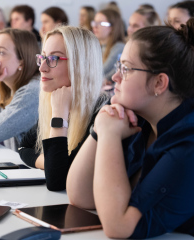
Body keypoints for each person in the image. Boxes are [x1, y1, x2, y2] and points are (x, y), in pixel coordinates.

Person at [67, 18, 194, 239]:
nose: (115, 77)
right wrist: (100, 129)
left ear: (159, 83)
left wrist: (109, 135)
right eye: (118, 66)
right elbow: (80, 196)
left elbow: (120, 227)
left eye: (125, 68)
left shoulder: (187, 144)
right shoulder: (140, 120)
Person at [19, 26, 108, 191]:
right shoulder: (57, 100)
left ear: (81, 65)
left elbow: (57, 182)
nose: (42, 67)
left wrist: (59, 115)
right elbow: (23, 147)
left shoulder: (101, 114)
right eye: (43, 57)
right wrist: (50, 162)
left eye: (54, 58)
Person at [91, 9, 125, 83]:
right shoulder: (97, 46)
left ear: (112, 28)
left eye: (101, 23)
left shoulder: (119, 47)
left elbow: (102, 71)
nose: (95, 26)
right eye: (95, 22)